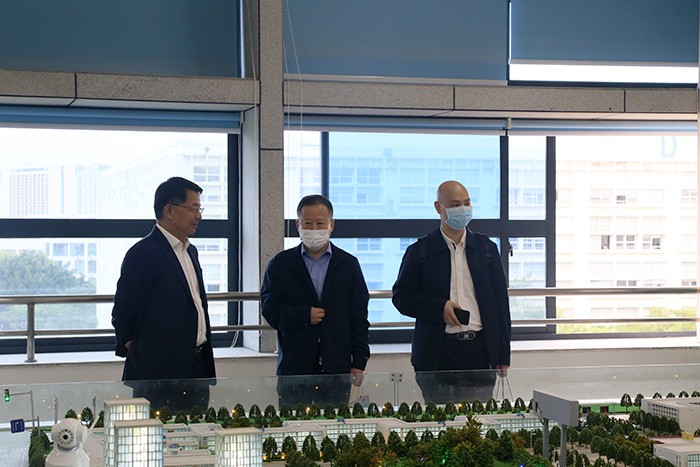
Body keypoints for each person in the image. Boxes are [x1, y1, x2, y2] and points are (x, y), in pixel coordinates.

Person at [392, 180, 511, 404]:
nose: (463, 210)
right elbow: (401, 297)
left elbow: (501, 304)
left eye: (467, 203)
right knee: (440, 419)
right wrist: (439, 308)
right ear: (439, 208)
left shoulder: (486, 249)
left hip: (480, 351)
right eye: (456, 205)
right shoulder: (420, 251)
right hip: (437, 354)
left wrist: (503, 354)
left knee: (479, 420)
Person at [111, 177, 216, 411]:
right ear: (169, 210)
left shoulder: (191, 251)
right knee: (158, 432)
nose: (198, 216)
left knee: (198, 429)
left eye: (199, 209)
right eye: (193, 208)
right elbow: (124, 312)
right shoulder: (143, 254)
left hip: (197, 367)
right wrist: (144, 349)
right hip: (158, 373)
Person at [261, 194, 370, 408]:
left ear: (331, 225)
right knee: (292, 425)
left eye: (320, 223)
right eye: (307, 223)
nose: (314, 229)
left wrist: (359, 361)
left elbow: (359, 317)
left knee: (334, 424)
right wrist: (303, 315)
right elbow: (270, 310)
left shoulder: (348, 264)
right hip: (294, 369)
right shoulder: (280, 264)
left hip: (336, 369)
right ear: (297, 225)